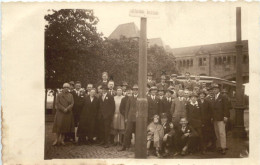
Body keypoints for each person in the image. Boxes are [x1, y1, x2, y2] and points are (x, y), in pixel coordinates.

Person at [119, 85, 138, 151]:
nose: (135, 91)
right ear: (133, 91)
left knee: (137, 132)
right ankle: (125, 146)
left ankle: (137, 147)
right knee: (127, 132)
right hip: (130, 118)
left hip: (137, 119)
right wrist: (126, 118)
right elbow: (127, 108)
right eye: (134, 90)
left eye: (136, 90)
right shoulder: (130, 98)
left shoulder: (140, 98)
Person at [211, 83, 230, 155]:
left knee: (222, 133)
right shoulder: (213, 97)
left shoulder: (223, 97)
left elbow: (226, 107)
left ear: (218, 89)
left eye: (215, 89)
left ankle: (223, 147)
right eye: (213, 89)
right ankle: (219, 146)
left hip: (221, 118)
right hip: (215, 118)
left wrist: (225, 116)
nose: (214, 90)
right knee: (217, 133)